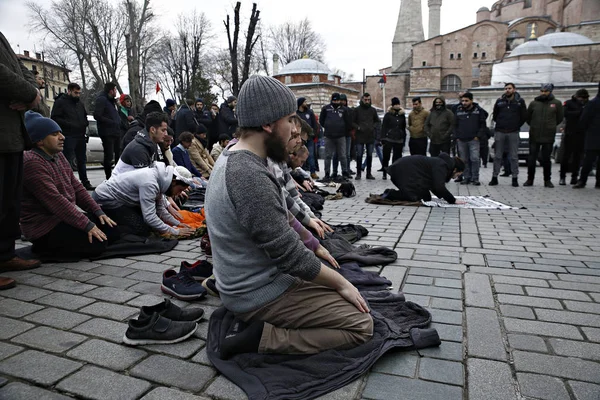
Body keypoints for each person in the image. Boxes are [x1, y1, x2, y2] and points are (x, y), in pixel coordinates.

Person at [205, 75, 372, 358]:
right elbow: (290, 256)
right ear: (269, 124)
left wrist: (315, 246)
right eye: (291, 119)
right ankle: (263, 338)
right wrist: (341, 283)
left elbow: (281, 215)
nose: (296, 128)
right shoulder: (249, 175)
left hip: (249, 283)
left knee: (336, 282)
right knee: (362, 325)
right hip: (256, 294)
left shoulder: (236, 156)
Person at [21, 111, 119, 258]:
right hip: (44, 227)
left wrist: (97, 211)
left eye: (60, 132)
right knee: (97, 244)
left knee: (112, 229)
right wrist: (87, 225)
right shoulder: (32, 162)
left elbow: (77, 187)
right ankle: (40, 251)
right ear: (39, 141)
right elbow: (55, 201)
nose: (62, 137)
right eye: (54, 134)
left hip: (61, 218)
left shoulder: (58, 155)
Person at [0, 31, 43, 282]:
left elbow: (22, 71)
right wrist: (29, 93)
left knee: (9, 202)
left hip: (12, 135)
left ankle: (4, 255)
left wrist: (31, 94)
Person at [92, 163, 195, 237]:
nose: (178, 194)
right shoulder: (150, 183)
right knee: (141, 230)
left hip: (121, 200)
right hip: (104, 199)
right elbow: (149, 217)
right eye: (180, 190)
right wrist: (175, 232)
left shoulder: (161, 180)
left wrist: (177, 224)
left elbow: (160, 209)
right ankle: (101, 225)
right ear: (173, 182)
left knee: (150, 226)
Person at [51, 82, 93, 190]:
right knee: (67, 160)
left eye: (79, 93)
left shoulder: (79, 103)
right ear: (69, 91)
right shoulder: (60, 102)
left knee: (81, 160)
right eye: (75, 93)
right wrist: (69, 125)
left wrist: (85, 123)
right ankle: (67, 183)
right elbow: (55, 118)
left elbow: (84, 115)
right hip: (68, 135)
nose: (78, 95)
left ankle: (85, 181)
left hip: (80, 135)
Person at [525, 84, 564, 188]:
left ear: (550, 91)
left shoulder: (556, 103)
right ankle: (530, 179)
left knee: (546, 159)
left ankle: (547, 180)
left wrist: (550, 126)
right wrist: (534, 126)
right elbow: (528, 118)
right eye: (542, 91)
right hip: (534, 135)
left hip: (548, 135)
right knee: (532, 158)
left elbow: (559, 118)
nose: (543, 93)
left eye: (545, 91)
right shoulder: (534, 103)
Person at [387, 153, 465, 204]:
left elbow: (434, 185)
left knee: (426, 197)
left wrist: (443, 196)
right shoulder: (442, 166)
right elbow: (439, 187)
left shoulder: (441, 164)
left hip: (405, 172)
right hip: (401, 172)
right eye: (458, 174)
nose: (456, 177)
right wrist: (453, 200)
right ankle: (390, 193)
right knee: (415, 198)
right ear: (455, 169)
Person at [489, 83, 527, 187]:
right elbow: (495, 115)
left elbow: (523, 116)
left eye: (509, 88)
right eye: (506, 88)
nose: (507, 90)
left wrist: (515, 125)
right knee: (497, 156)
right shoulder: (500, 101)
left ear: (514, 89)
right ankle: (494, 177)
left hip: (513, 132)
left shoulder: (520, 101)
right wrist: (501, 124)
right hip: (500, 131)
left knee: (514, 156)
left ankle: (515, 178)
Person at [113, 112, 169, 176]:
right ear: (153, 130)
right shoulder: (138, 149)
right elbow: (144, 180)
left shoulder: (152, 143)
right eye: (163, 130)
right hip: (120, 185)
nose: (166, 134)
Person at [454, 92, 488, 186]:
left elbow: (482, 124)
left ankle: (475, 178)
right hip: (461, 139)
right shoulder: (458, 110)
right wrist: (456, 136)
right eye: (463, 101)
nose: (464, 103)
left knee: (474, 158)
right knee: (464, 160)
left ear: (471, 101)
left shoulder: (478, 110)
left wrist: (478, 136)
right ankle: (466, 177)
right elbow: (455, 124)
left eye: (466, 101)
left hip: (474, 139)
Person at [560, 88, 589, 186]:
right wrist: (580, 112)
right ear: (576, 96)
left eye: (584, 98)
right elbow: (565, 114)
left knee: (578, 157)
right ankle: (562, 177)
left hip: (581, 134)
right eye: (581, 97)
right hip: (570, 133)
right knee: (566, 156)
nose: (582, 99)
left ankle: (574, 177)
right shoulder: (569, 103)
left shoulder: (587, 104)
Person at [320, 93, 352, 180]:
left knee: (343, 155)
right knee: (328, 156)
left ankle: (344, 172)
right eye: (334, 100)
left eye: (337, 100)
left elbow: (348, 122)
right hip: (329, 136)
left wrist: (342, 129)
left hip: (341, 136)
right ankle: (327, 173)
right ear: (331, 100)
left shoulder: (344, 110)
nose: (336, 102)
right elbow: (321, 120)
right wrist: (328, 126)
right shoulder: (326, 109)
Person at [94, 82, 122, 179]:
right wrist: (111, 122)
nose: (116, 92)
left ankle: (118, 176)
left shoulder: (111, 101)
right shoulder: (102, 99)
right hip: (107, 132)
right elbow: (97, 115)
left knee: (118, 154)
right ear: (111, 91)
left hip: (116, 131)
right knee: (109, 156)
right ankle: (109, 177)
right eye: (115, 90)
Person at [574, 82, 600, 189]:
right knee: (588, 160)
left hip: (592, 136)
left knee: (589, 160)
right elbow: (584, 120)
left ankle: (583, 181)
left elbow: (583, 120)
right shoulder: (593, 103)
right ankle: (584, 180)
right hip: (593, 136)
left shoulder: (593, 103)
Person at [353, 93, 380, 180]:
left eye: (368, 100)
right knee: (359, 155)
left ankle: (369, 173)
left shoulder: (373, 110)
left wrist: (373, 126)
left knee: (369, 155)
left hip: (370, 135)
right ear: (362, 99)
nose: (367, 101)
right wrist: (358, 127)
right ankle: (358, 173)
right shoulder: (357, 110)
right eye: (365, 100)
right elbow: (352, 122)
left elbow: (377, 121)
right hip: (360, 135)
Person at [380, 97, 406, 180]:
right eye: (395, 104)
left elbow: (403, 127)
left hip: (399, 139)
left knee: (397, 157)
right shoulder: (388, 115)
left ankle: (395, 172)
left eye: (398, 104)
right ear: (392, 105)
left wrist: (403, 138)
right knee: (386, 156)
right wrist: (383, 138)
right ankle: (385, 172)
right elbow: (384, 127)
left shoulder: (402, 115)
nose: (397, 106)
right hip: (389, 138)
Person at [296, 97, 319, 179]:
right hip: (299, 138)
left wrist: (313, 134)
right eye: (304, 102)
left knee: (311, 155)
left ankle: (313, 172)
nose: (306, 103)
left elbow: (315, 124)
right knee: (299, 154)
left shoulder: (309, 112)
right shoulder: (296, 113)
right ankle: (300, 171)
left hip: (309, 138)